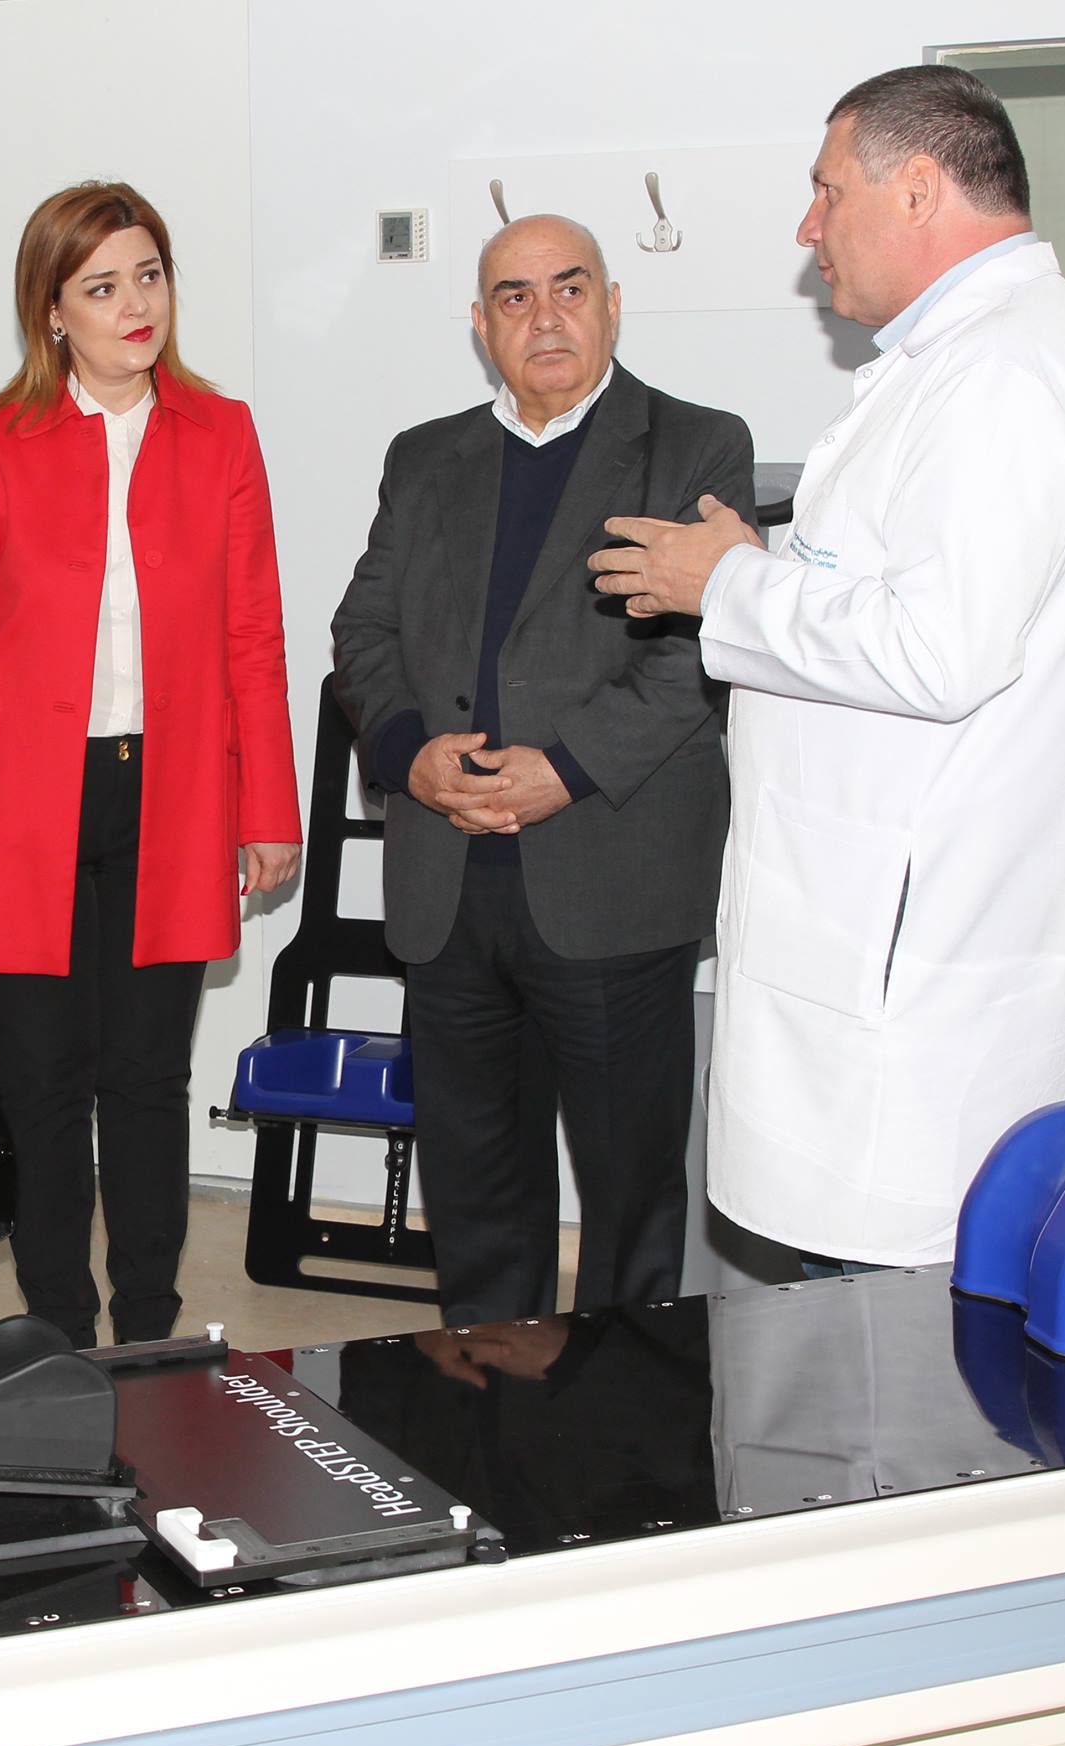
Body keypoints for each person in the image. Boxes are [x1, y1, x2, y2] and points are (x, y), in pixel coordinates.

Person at [592, 66, 1065, 1275]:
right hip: (868, 943)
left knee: (874, 1345)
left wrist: (725, 586)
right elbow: (896, 592)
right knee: (827, 1319)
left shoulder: (1003, 373)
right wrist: (757, 566)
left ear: (917, 188)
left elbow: (938, 649)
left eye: (825, 190)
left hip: (910, 978)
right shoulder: (958, 361)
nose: (807, 226)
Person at [331, 214, 754, 1327]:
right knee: (475, 1205)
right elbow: (363, 631)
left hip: (612, 878)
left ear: (612, 304)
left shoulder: (693, 446)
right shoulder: (424, 458)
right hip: (448, 885)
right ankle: (488, 1407)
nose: (545, 317)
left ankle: (625, 1422)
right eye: (514, 298)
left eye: (570, 288)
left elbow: (700, 653)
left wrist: (564, 767)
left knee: (629, 1207)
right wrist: (409, 756)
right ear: (482, 327)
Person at [0, 182, 302, 1351]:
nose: (137, 305)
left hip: (172, 794)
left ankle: (150, 1330)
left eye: (150, 275)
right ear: (52, 311)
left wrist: (267, 806)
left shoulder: (220, 432)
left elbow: (254, 635)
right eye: (104, 285)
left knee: (145, 1077)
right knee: (42, 1081)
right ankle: (56, 1332)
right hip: (19, 803)